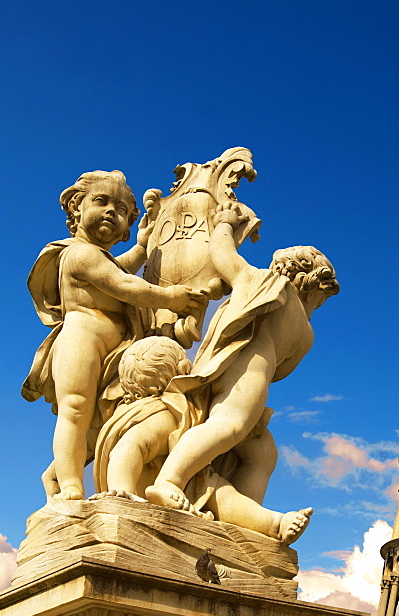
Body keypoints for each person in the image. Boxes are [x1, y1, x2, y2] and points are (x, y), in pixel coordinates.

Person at [22, 170, 207, 500]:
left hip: (115, 351)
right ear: (76, 207)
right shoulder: (78, 253)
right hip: (81, 342)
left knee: (97, 427)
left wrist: (141, 247)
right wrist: (172, 297)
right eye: (101, 201)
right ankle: (70, 487)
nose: (112, 211)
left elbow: (118, 269)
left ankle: (53, 477)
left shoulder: (100, 258)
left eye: (122, 210)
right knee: (76, 411)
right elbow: (124, 285)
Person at [145, 203, 339, 515]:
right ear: (309, 280)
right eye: (321, 295)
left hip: (258, 375)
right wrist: (224, 223)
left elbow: (282, 369)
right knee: (230, 423)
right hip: (246, 364)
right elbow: (225, 259)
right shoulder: (274, 287)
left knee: (263, 453)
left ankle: (240, 520)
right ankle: (169, 480)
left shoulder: (305, 328)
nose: (320, 303)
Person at [93, 336, 312, 544]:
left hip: (185, 487)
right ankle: (274, 524)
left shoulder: (168, 412)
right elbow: (128, 447)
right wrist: (122, 491)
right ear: (180, 371)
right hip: (146, 492)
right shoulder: (161, 414)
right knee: (221, 494)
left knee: (221, 493)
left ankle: (275, 524)